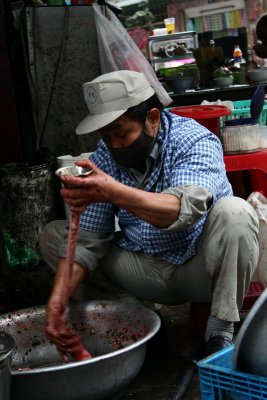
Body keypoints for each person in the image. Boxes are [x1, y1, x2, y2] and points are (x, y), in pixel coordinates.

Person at [40, 70, 259, 357]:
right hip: (145, 269)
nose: (114, 145)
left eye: (121, 133)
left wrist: (113, 191)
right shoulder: (104, 157)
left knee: (236, 212)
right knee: (55, 236)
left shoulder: (193, 140)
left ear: (152, 119)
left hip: (200, 268)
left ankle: (219, 329)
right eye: (106, 136)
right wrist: (56, 303)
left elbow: (183, 211)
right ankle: (140, 322)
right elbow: (85, 243)